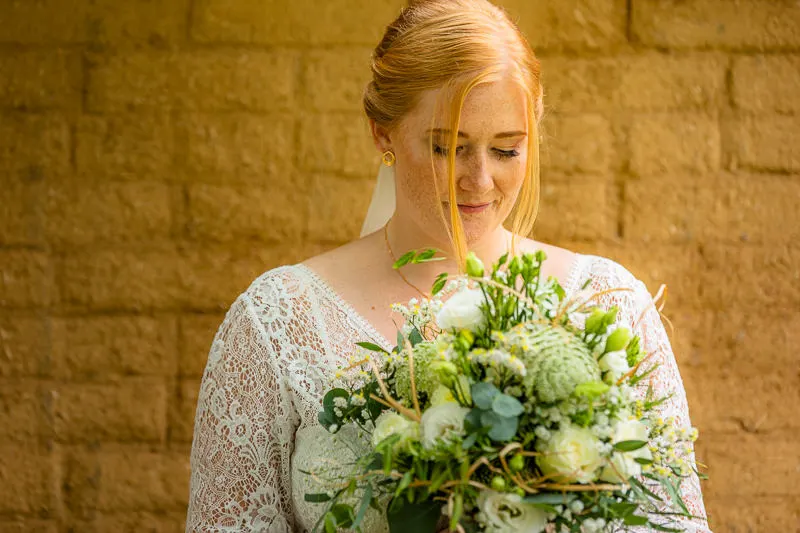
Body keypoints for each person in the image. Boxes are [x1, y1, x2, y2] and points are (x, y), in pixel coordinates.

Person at [185, 1, 710, 531]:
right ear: (382, 134)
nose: (479, 181)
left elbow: (670, 519)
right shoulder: (277, 321)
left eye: (506, 150)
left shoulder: (607, 305)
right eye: (446, 148)